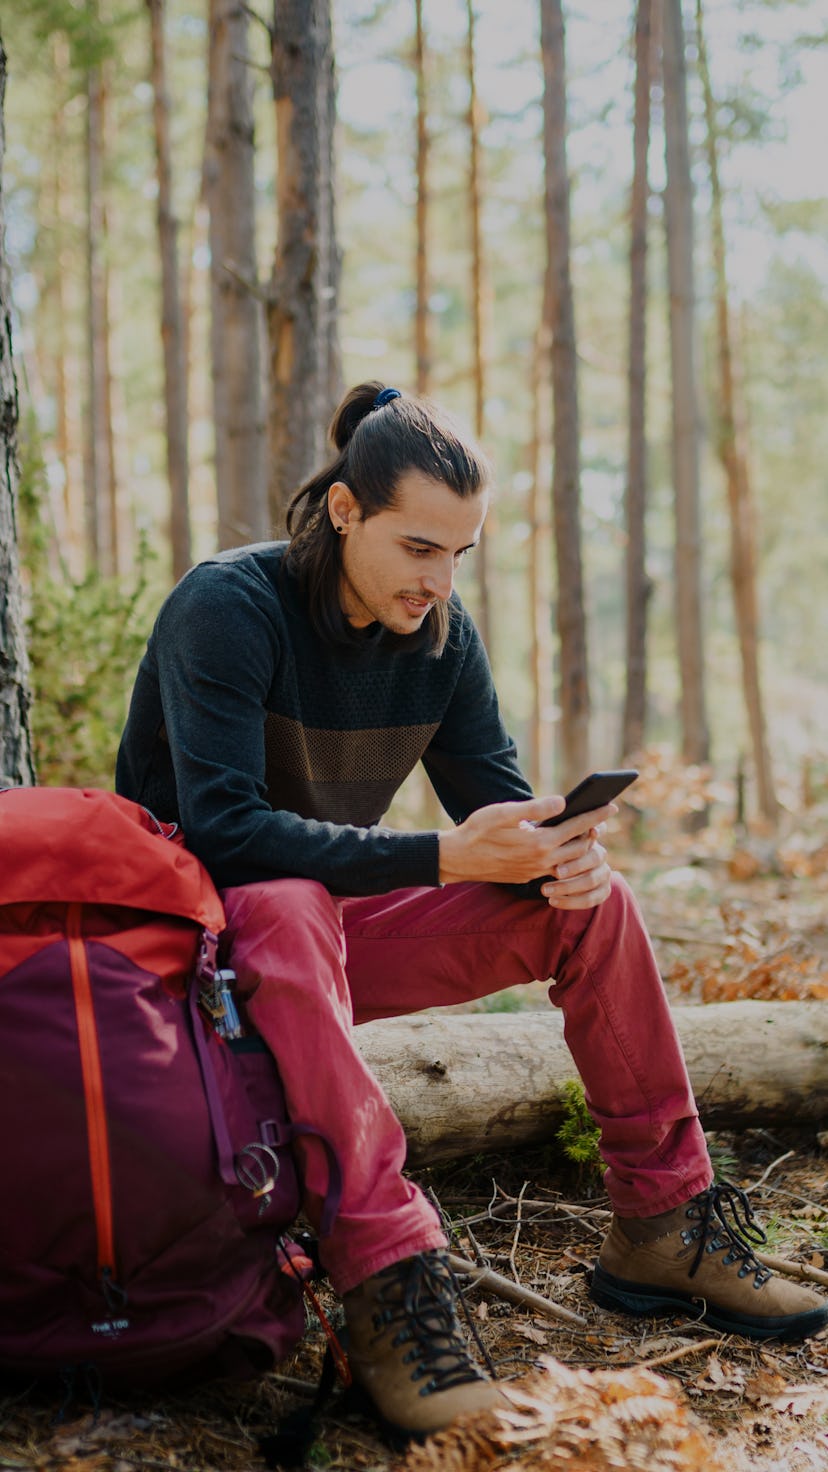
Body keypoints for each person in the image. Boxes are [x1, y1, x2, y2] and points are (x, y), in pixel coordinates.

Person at [117, 381, 826, 1436]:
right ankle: (387, 1277)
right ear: (345, 510)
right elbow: (223, 834)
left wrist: (558, 858)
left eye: (460, 553)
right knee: (289, 902)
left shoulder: (441, 637)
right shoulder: (229, 606)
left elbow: (494, 806)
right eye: (418, 547)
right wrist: (446, 856)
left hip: (320, 943)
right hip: (193, 963)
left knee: (594, 907)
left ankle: (665, 1221)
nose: (439, 581)